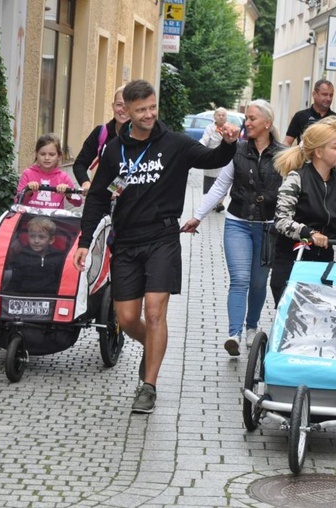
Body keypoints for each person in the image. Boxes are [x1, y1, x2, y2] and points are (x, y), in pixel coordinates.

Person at [72, 80, 240, 414]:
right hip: (126, 241)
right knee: (127, 316)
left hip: (163, 238)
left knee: (155, 310)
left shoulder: (174, 143)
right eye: (141, 110)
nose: (149, 114)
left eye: (152, 107)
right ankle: (153, 347)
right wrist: (84, 241)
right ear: (127, 112)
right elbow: (98, 199)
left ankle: (148, 386)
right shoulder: (115, 151)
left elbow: (211, 158)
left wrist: (228, 144)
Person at [181, 100, 284, 356]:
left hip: (269, 228)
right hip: (237, 223)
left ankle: (251, 327)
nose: (246, 123)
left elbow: (291, 191)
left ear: (267, 124)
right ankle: (234, 334)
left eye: (252, 119)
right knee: (240, 279)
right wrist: (198, 216)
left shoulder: (283, 155)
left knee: (259, 283)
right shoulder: (237, 150)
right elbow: (219, 186)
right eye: (246, 118)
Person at [271, 116, 336, 306]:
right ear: (318, 152)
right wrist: (309, 233)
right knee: (291, 317)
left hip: (322, 261)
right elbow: (282, 220)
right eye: (335, 147)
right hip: (292, 259)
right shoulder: (297, 178)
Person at [284, 79, 336, 174]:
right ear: (314, 94)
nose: (328, 98)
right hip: (303, 170)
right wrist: (286, 165)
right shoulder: (300, 116)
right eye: (324, 94)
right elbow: (287, 142)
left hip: (329, 173)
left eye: (331, 95)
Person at [72, 86, 129, 194]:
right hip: (101, 199)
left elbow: (134, 170)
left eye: (127, 106)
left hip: (128, 203)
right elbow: (80, 163)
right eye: (119, 105)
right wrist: (85, 182)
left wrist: (114, 190)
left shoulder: (140, 136)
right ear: (113, 106)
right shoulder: (101, 132)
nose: (123, 109)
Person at [16, 134, 83, 210]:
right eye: (43, 154)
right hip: (29, 219)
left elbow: (78, 202)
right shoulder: (27, 174)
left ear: (58, 156)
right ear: (37, 155)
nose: (47, 158)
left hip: (54, 220)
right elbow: (17, 201)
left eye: (52, 154)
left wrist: (69, 193)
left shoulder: (64, 177)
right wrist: (28, 192)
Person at [6, 216, 65, 294]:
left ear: (51, 240)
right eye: (32, 236)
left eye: (41, 237)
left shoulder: (59, 257)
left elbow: (63, 283)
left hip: (51, 298)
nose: (36, 241)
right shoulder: (21, 256)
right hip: (25, 298)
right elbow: (14, 282)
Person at [199, 107, 230, 213]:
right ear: (215, 117)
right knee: (210, 181)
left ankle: (220, 203)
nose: (221, 117)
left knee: (224, 180)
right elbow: (205, 140)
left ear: (226, 117)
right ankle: (211, 203)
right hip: (212, 156)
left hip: (225, 158)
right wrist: (199, 149)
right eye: (219, 115)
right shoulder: (210, 128)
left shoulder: (229, 128)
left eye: (223, 115)